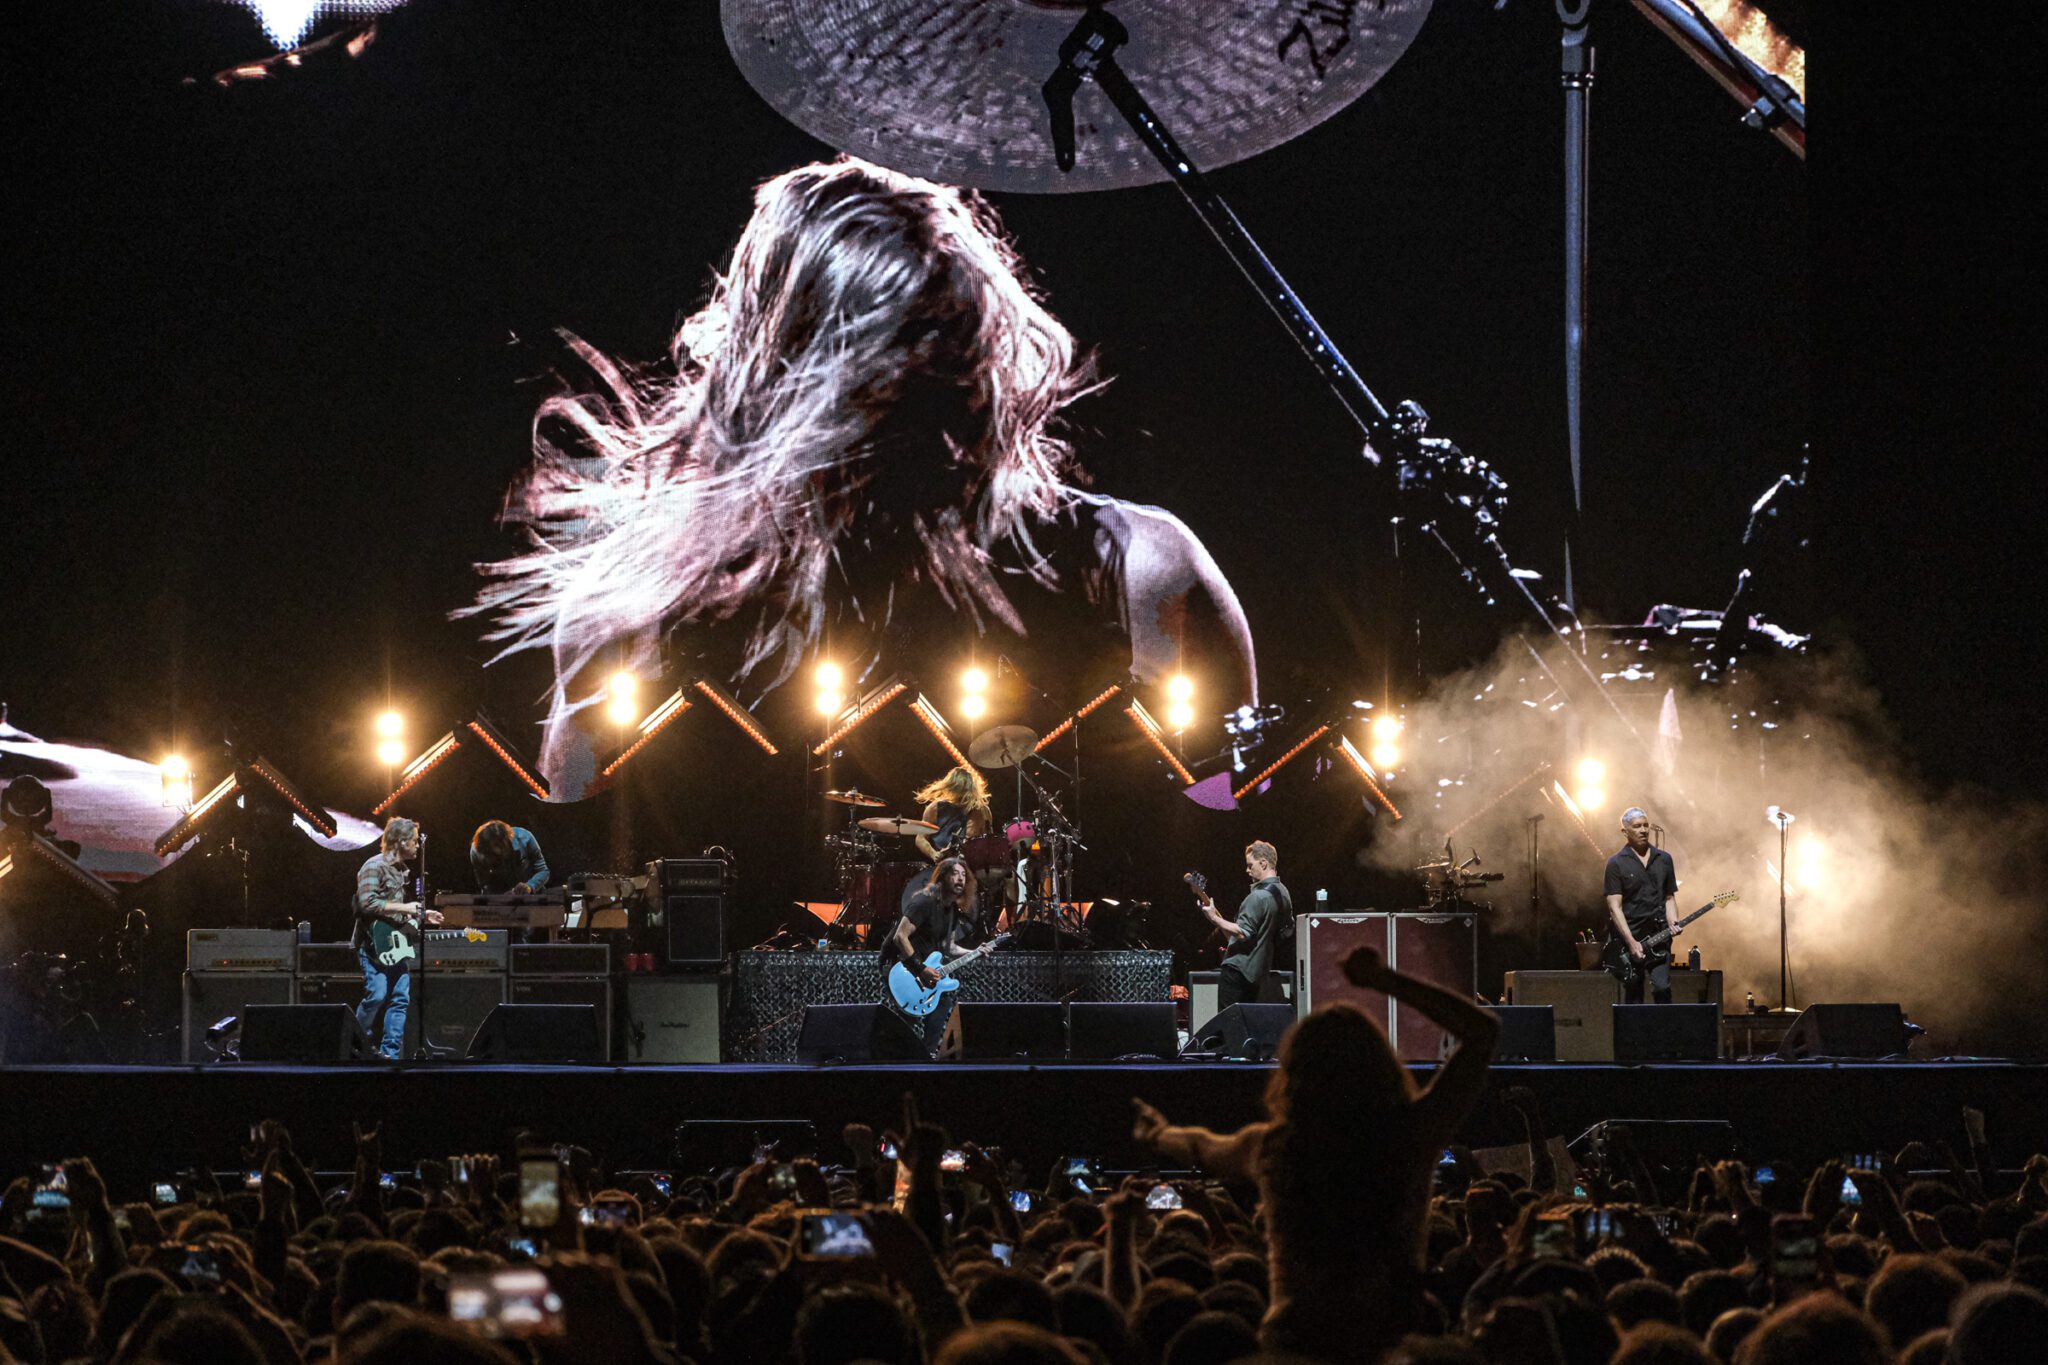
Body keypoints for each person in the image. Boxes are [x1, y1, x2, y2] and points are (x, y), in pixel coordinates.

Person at [469, 156, 1257, 799]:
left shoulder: (1146, 571)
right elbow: (592, 892)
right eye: (881, 379)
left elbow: (1238, 837)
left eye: (933, 372)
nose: (911, 427)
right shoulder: (629, 613)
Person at [1131, 943, 1499, 1359]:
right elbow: (1482, 1032)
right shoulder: (1407, 1135)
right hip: (1387, 1341)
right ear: (1380, 1063)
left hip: (1292, 1341)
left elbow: (1202, 1146)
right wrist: (1385, 980)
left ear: (1294, 1073)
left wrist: (1159, 1135)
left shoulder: (1274, 1146)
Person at [352, 817, 441, 1060]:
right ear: (401, 841)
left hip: (396, 942)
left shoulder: (402, 871)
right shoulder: (374, 866)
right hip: (372, 945)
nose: (417, 845)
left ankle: (390, 1054)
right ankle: (356, 1045)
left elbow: (396, 910)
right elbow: (366, 903)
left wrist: (422, 914)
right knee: (377, 994)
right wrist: (406, 908)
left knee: (400, 998)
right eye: (414, 841)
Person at [885, 856, 978, 1052]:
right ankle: (893, 1059)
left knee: (942, 1003)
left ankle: (927, 1058)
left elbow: (948, 947)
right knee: (906, 1022)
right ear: (943, 877)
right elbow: (900, 937)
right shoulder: (924, 902)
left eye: (963, 875)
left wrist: (976, 952)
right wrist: (920, 969)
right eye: (955, 873)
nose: (960, 879)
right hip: (901, 966)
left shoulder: (951, 910)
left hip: (924, 968)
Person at [1191, 840, 1293, 1010]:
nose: (1247, 870)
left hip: (1237, 972)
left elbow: (1242, 933)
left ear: (1263, 864)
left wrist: (1215, 919)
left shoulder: (1257, 897)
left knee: (1229, 1022)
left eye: (1250, 865)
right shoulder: (1284, 893)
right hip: (1259, 973)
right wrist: (1215, 918)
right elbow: (1286, 932)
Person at [1605, 807, 1681, 1004]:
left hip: (1659, 937)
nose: (1643, 830)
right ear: (1625, 831)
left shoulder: (1664, 859)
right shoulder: (1616, 863)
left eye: (1646, 825)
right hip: (1630, 938)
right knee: (1634, 995)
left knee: (1663, 988)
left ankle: (1663, 1025)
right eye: (1637, 826)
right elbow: (1614, 908)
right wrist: (1631, 942)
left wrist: (1673, 921)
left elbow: (1669, 897)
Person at [903, 765, 993, 916]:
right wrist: (934, 854)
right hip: (942, 865)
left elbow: (989, 841)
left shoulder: (980, 810)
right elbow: (920, 837)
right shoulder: (935, 808)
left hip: (972, 865)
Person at [468, 819, 550, 895]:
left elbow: (543, 871)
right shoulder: (475, 851)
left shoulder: (525, 838)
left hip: (533, 896)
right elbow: (484, 884)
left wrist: (530, 886)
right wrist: (500, 896)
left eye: (493, 855)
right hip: (500, 900)